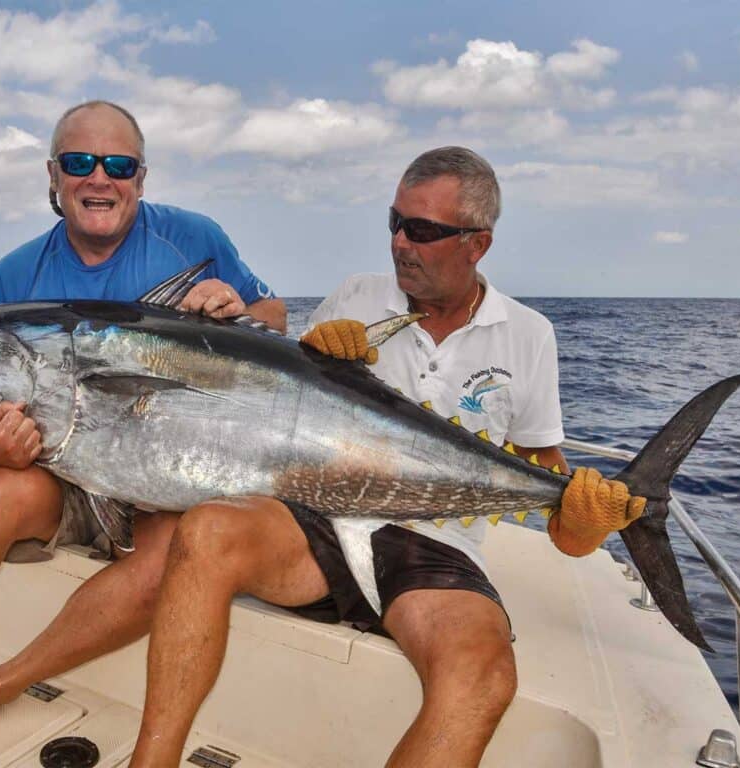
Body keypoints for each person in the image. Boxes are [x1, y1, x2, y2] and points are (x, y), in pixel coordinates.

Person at [126, 147, 644, 768]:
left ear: (477, 244)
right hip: (316, 516)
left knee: (482, 675)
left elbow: (545, 465)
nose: (401, 243)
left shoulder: (528, 333)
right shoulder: (354, 296)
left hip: (438, 544)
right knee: (205, 531)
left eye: (423, 231)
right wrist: (311, 356)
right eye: (394, 224)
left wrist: (577, 519)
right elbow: (279, 402)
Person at [0, 100, 286, 767]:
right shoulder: (17, 277)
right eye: (79, 162)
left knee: (179, 558)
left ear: (141, 176)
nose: (99, 178)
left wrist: (241, 307)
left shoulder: (194, 238)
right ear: (53, 175)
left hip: (171, 474)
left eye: (118, 164)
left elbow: (273, 319)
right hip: (68, 467)